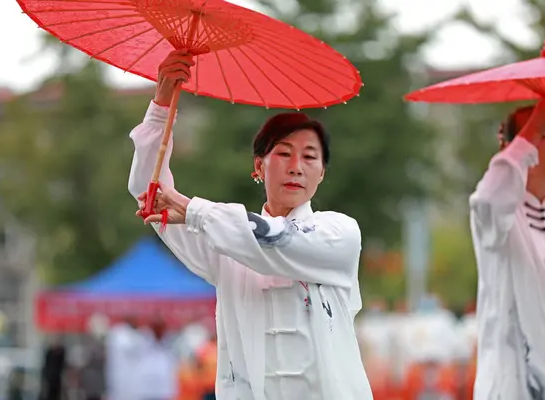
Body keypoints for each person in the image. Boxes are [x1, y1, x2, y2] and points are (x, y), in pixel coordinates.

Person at [127, 49, 372, 400]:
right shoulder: (222, 245)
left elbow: (277, 240)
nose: (296, 167)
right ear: (258, 167)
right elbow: (148, 194)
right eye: (284, 153)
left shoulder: (339, 235)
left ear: (322, 173)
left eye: (309, 157)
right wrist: (161, 104)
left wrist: (196, 211)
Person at [469, 96, 545, 399]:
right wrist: (536, 125)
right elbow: (487, 200)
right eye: (542, 135)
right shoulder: (499, 216)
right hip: (515, 381)